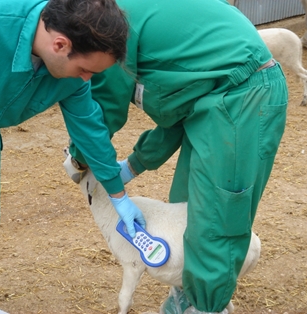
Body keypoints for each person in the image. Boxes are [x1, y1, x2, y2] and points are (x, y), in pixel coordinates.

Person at [0, 0, 147, 305]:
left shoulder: (71, 78)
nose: (86, 79)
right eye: (86, 69)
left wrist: (117, 195)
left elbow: (89, 129)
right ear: (60, 44)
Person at [65, 0, 289, 313]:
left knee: (215, 215)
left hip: (244, 96)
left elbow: (102, 112)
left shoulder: (102, 28)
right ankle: (184, 299)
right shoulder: (113, 24)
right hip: (211, 100)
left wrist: (80, 158)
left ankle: (205, 307)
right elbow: (179, 109)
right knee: (184, 206)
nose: (82, 77)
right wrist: (134, 163)